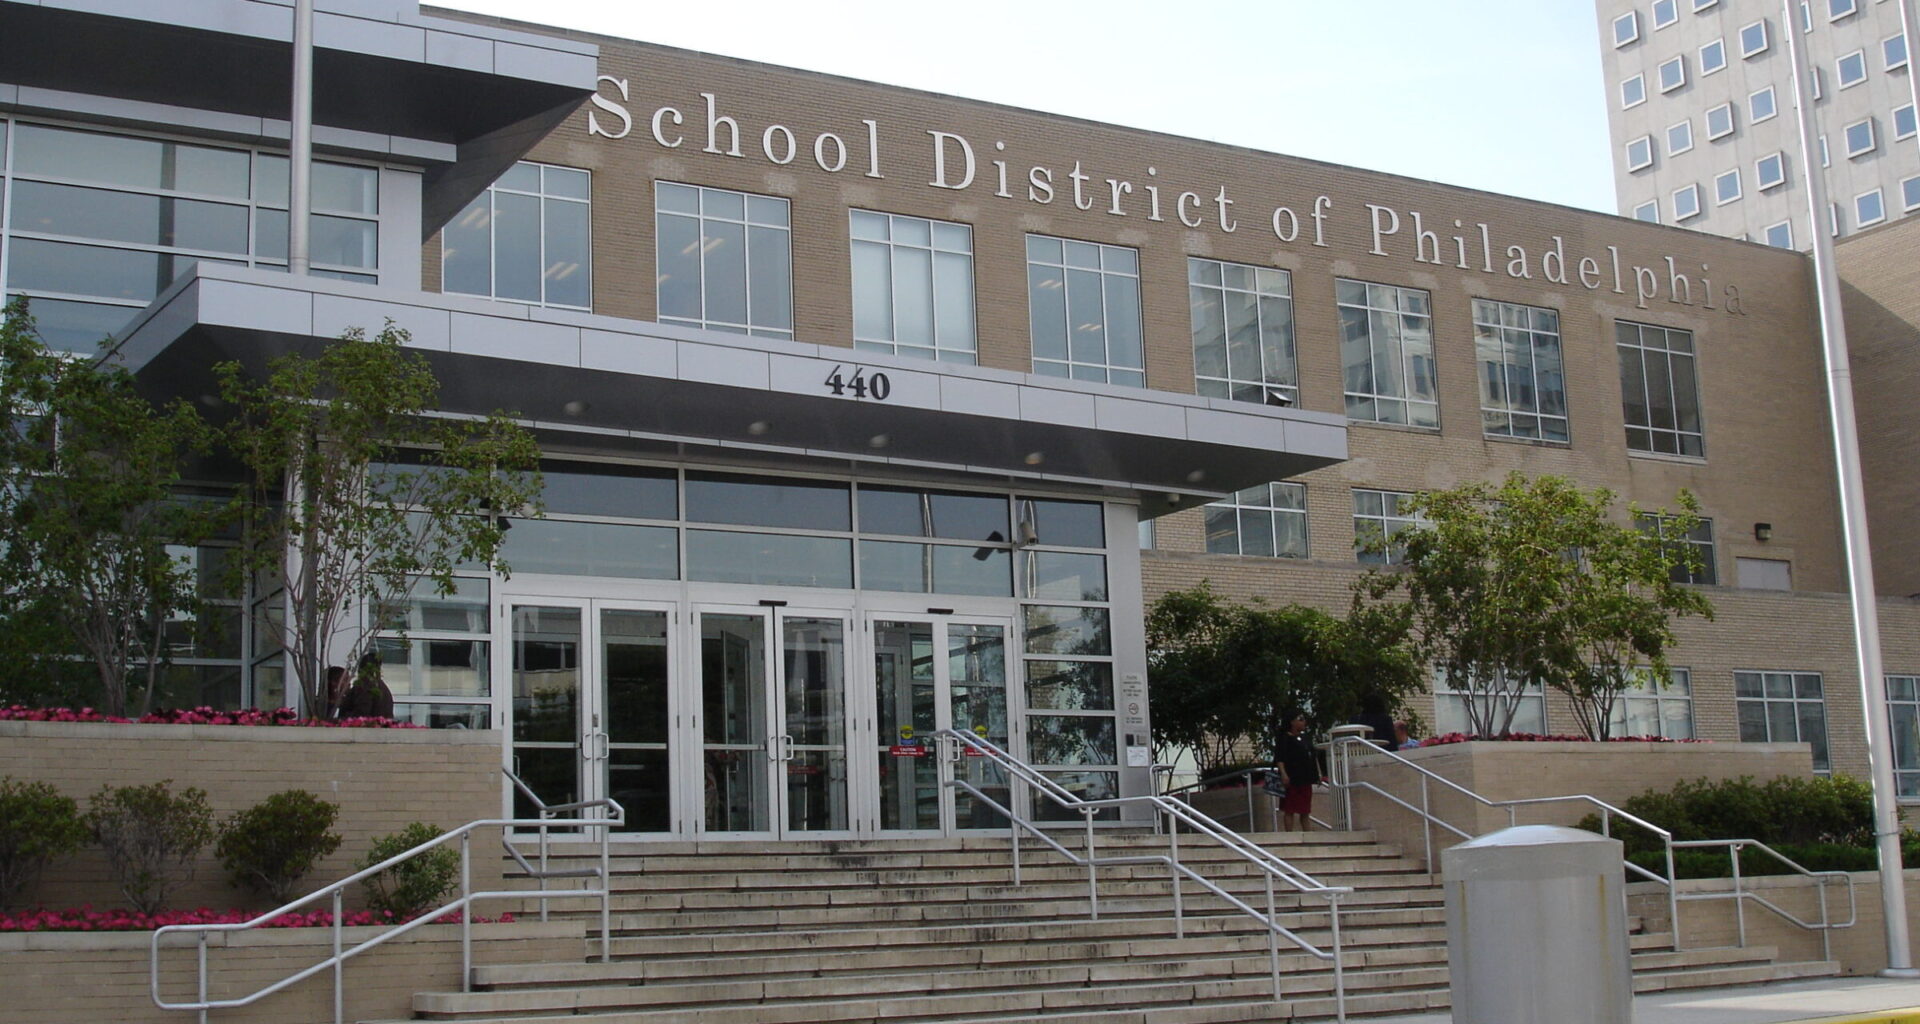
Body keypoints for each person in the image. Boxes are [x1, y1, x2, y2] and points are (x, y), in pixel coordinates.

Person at [1273, 710, 1319, 832]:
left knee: (1305, 810)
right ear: (1292, 722)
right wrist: (1283, 773)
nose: (1304, 722)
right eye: (1300, 719)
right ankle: (1289, 835)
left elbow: (1312, 756)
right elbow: (1280, 757)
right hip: (1292, 778)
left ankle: (1308, 835)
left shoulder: (1305, 738)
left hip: (1305, 778)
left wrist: (1317, 774)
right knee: (1290, 809)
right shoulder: (1285, 738)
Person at [337, 651, 395, 720]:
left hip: (363, 728)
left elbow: (361, 714)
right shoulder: (382, 687)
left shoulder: (364, 686)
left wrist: (342, 719)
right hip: (382, 727)